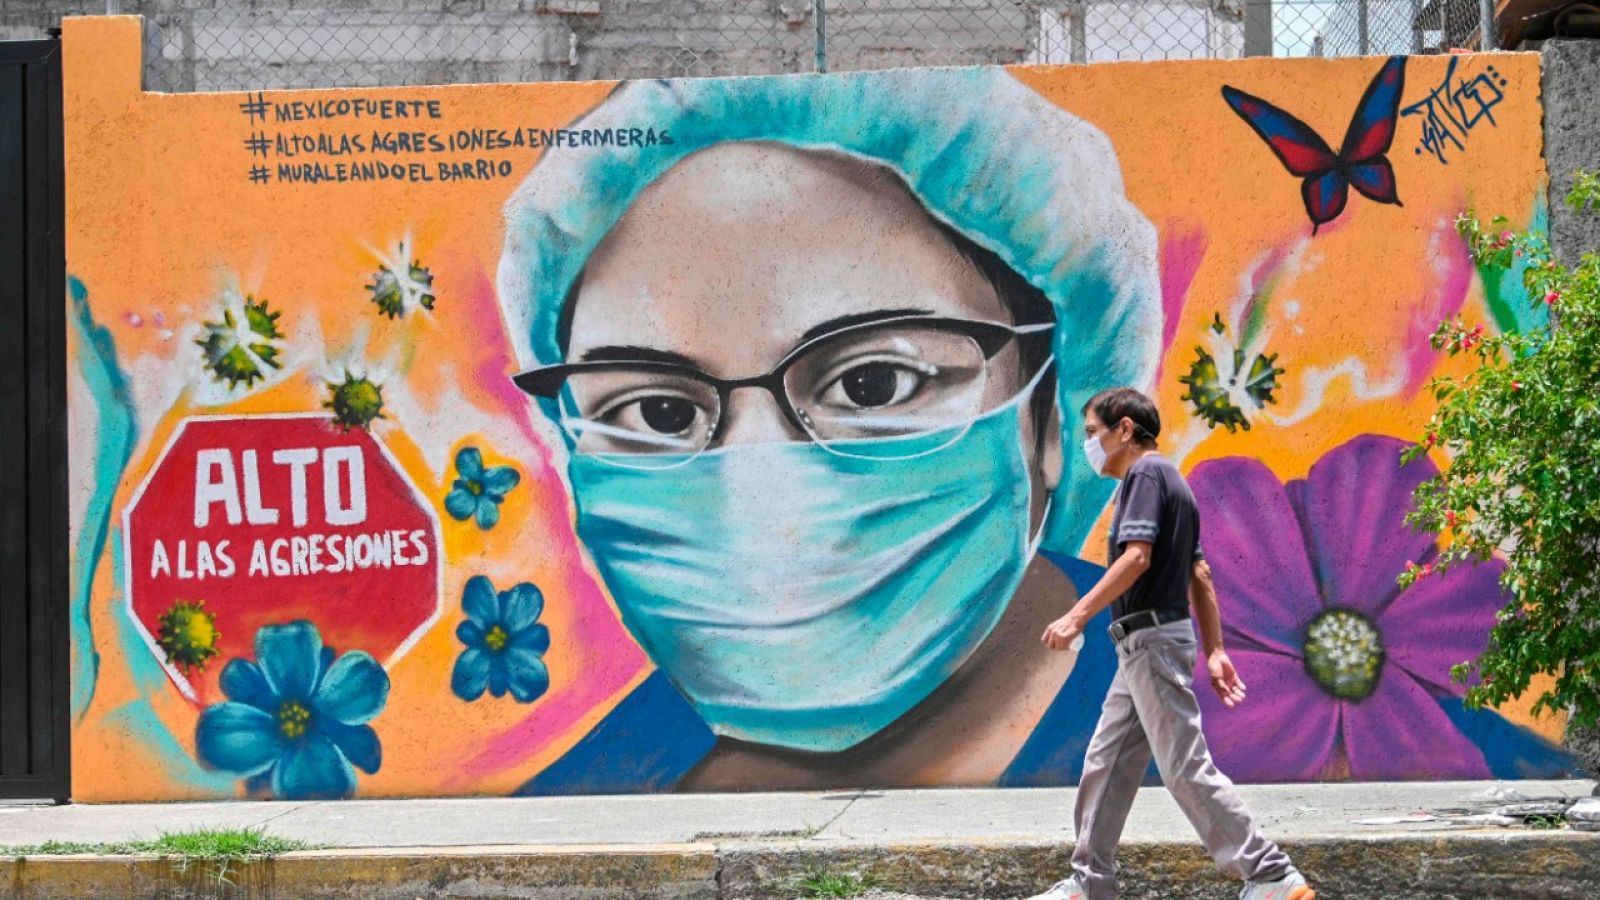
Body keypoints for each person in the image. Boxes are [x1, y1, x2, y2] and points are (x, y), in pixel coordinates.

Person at [495, 67, 1165, 793]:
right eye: (659, 412)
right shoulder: (596, 784)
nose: (758, 500)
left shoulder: (1185, 720)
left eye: (872, 383)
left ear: (1049, 423)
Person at [1030, 388, 1314, 900]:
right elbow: (1199, 572)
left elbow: (1137, 557)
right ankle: (1088, 884)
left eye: (1093, 432)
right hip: (1143, 646)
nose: (1088, 444)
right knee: (1106, 762)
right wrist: (1216, 649)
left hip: (1152, 641)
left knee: (1183, 764)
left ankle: (1271, 875)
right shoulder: (1174, 482)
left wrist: (1076, 615)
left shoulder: (1145, 475)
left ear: (1124, 430)